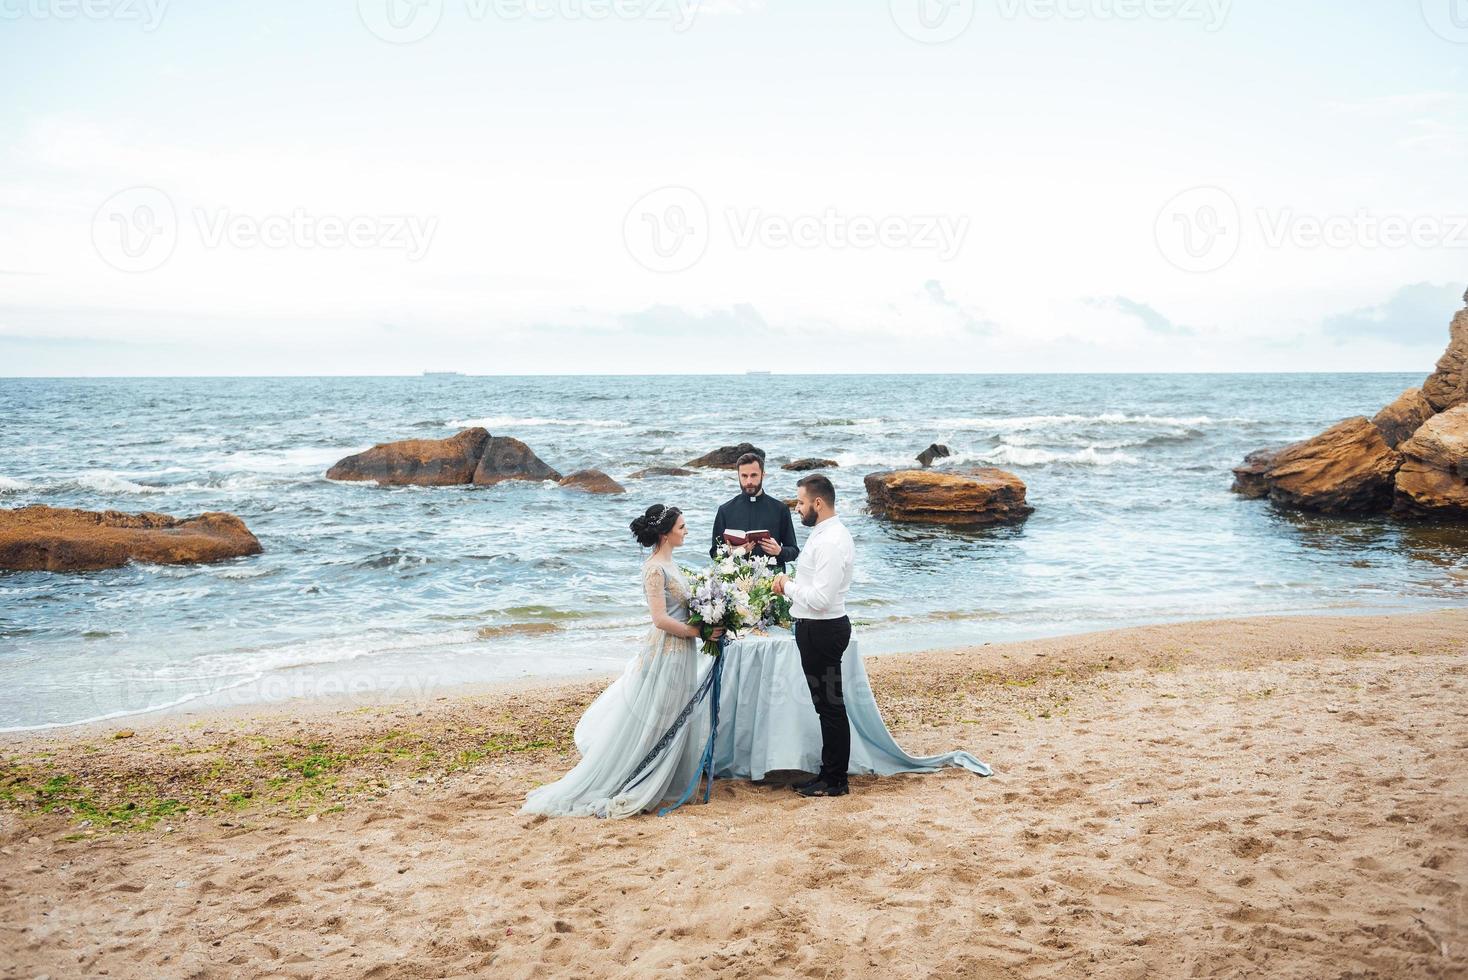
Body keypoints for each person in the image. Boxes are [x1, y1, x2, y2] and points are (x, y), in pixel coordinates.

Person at [521, 504, 724, 818]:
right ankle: (637, 776)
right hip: (667, 651)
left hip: (681, 650)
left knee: (672, 715)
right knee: (658, 716)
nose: (686, 532)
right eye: (682, 527)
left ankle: (662, 774)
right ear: (665, 533)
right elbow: (659, 619)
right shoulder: (655, 568)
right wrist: (697, 632)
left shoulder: (671, 563)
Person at [772, 473, 855, 798]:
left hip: (823, 629)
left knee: (831, 707)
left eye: (802, 503)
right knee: (826, 707)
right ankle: (829, 774)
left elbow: (821, 598)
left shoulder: (833, 541)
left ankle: (835, 780)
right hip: (814, 628)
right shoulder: (823, 534)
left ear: (818, 503)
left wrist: (785, 586)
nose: (798, 509)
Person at [709, 452, 800, 572]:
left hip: (771, 584)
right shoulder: (725, 510)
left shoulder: (780, 509)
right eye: (744, 476)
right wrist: (733, 552)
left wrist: (779, 551)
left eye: (754, 475)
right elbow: (715, 553)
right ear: (738, 476)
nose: (749, 481)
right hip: (735, 584)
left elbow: (794, 551)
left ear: (763, 475)